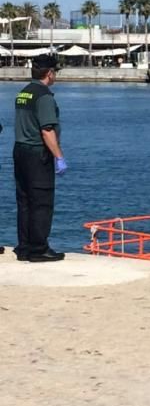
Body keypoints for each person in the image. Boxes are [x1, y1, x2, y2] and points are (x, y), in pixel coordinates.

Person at [13, 54, 66, 262]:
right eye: (55, 72)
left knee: (24, 200)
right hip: (37, 153)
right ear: (49, 73)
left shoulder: (23, 93)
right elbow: (47, 130)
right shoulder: (44, 96)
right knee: (41, 201)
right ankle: (39, 249)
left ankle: (25, 246)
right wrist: (59, 157)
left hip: (20, 150)